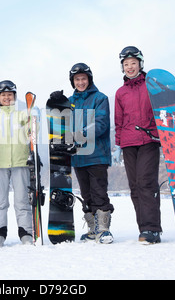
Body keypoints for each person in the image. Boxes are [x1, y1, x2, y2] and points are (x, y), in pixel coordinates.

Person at [114, 46, 162, 244]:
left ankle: (153, 228)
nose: (130, 67)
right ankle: (144, 228)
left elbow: (162, 109)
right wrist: (118, 143)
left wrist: (164, 135)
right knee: (134, 186)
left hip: (149, 140)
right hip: (128, 143)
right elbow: (118, 120)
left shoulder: (151, 85)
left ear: (140, 64)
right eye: (126, 64)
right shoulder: (120, 92)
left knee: (146, 182)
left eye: (133, 63)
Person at [0, 80, 33, 247]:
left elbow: (32, 134)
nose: (7, 97)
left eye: (10, 95)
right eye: (3, 95)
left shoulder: (22, 115)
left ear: (15, 97)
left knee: (22, 200)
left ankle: (26, 232)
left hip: (20, 162)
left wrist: (34, 118)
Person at [67, 63, 114, 244]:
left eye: (83, 79)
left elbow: (101, 124)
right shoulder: (70, 102)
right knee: (86, 194)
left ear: (89, 79)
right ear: (73, 81)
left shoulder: (100, 98)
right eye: (77, 79)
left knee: (98, 192)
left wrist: (80, 134)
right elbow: (63, 124)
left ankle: (104, 230)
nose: (80, 82)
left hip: (97, 155)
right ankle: (93, 229)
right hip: (79, 157)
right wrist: (57, 104)